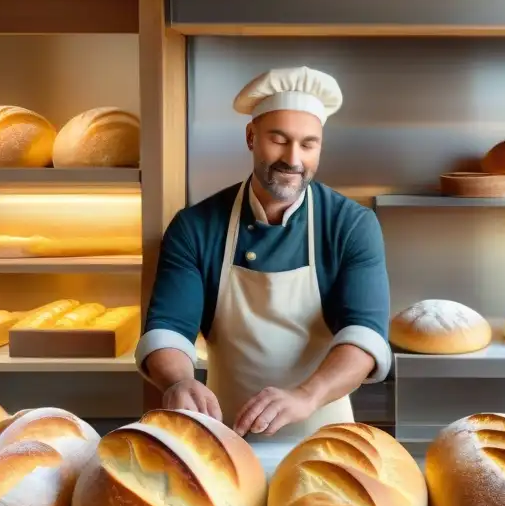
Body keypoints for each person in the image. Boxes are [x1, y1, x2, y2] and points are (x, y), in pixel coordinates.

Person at [135, 66, 391, 440]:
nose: (294, 159)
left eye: (308, 144)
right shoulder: (196, 226)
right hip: (224, 432)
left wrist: (306, 395)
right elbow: (169, 328)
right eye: (279, 139)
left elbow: (365, 334)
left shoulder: (351, 225)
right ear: (251, 137)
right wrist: (178, 381)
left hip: (323, 433)